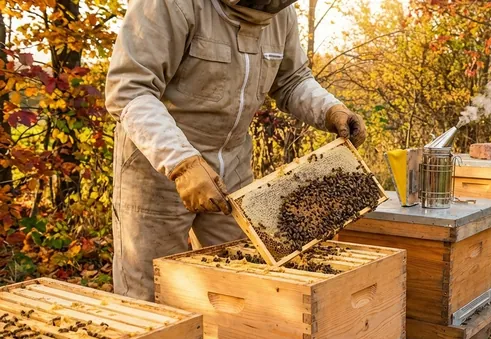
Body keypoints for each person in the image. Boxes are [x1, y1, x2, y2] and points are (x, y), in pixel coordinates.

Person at [105, 0, 366, 303]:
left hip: (233, 168)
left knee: (240, 284)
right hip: (157, 169)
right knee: (149, 293)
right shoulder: (170, 4)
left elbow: (292, 80)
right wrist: (181, 163)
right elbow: (130, 90)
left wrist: (330, 110)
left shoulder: (281, 14)